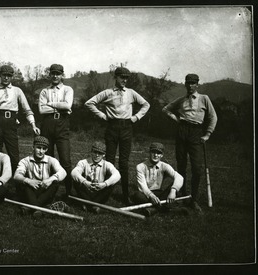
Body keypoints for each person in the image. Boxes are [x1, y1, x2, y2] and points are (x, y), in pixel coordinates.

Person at [84, 67, 150, 205]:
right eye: (122, 77)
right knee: (109, 161)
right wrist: (102, 115)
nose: (124, 80)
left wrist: (136, 117)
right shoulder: (108, 92)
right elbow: (89, 103)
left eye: (126, 78)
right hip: (112, 128)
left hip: (127, 128)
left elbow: (146, 104)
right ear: (116, 78)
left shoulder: (131, 93)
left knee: (124, 162)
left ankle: (125, 196)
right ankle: (105, 193)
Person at [162, 73, 217, 213]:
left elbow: (213, 117)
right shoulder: (181, 100)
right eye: (188, 83)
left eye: (193, 83)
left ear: (197, 85)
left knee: (196, 168)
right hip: (182, 132)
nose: (190, 86)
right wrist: (177, 119)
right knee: (181, 165)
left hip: (196, 133)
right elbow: (166, 109)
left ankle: (194, 199)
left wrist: (208, 134)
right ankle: (182, 195)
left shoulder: (204, 99)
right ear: (185, 84)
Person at [0, 64, 40, 173]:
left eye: (8, 75)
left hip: (11, 123)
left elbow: (27, 109)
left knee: (14, 153)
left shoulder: (17, 91)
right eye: (4, 75)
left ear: (12, 77)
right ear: (0, 75)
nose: (6, 77)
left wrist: (33, 124)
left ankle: (16, 181)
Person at [38, 64, 74, 196]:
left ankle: (69, 192)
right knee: (48, 158)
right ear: (49, 74)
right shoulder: (44, 91)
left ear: (62, 75)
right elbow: (41, 110)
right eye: (52, 73)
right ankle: (49, 190)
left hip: (62, 124)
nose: (55, 76)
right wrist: (61, 106)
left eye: (58, 73)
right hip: (47, 124)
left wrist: (50, 104)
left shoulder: (68, 89)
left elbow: (68, 105)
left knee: (65, 159)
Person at [14, 136, 67, 216]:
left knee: (55, 183)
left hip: (45, 190)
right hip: (32, 190)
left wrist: (50, 180)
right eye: (38, 148)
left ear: (46, 150)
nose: (41, 151)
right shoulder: (25, 160)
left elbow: (63, 172)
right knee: (23, 183)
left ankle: (30, 208)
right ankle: (40, 209)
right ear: (33, 147)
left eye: (44, 148)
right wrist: (29, 181)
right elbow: (16, 176)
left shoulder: (51, 160)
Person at [132, 142, 184, 216]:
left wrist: (173, 190)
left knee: (175, 189)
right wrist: (151, 196)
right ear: (149, 153)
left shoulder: (164, 166)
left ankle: (153, 209)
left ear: (162, 155)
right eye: (153, 152)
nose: (156, 155)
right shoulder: (140, 167)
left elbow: (179, 177)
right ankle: (167, 209)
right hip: (146, 194)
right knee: (137, 195)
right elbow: (143, 187)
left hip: (159, 193)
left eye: (158, 153)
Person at [71, 141, 121, 213]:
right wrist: (85, 182)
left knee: (112, 183)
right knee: (76, 180)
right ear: (91, 152)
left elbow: (117, 174)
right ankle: (95, 206)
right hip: (86, 190)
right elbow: (74, 172)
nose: (97, 155)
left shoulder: (107, 164)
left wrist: (105, 184)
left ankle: (87, 204)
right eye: (95, 152)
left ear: (104, 154)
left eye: (100, 153)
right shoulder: (83, 162)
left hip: (100, 191)